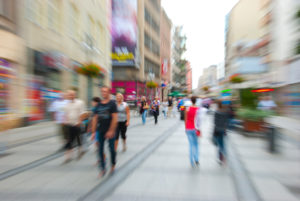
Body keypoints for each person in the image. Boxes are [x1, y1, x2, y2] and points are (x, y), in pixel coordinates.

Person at [92, 86, 118, 177]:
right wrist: (93, 132)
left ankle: (113, 164)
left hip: (110, 131)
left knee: (111, 149)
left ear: (109, 92)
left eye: (105, 91)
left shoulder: (112, 104)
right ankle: (102, 169)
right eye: (102, 92)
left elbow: (115, 118)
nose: (103, 93)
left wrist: (111, 130)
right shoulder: (98, 105)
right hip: (101, 131)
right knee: (100, 150)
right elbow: (95, 118)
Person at [63, 90, 86, 163]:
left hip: (77, 124)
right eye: (69, 95)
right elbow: (66, 114)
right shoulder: (66, 104)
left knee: (78, 139)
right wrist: (65, 121)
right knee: (69, 140)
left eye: (72, 95)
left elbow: (83, 113)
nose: (70, 96)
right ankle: (68, 156)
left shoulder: (80, 103)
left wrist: (80, 122)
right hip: (69, 124)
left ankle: (80, 150)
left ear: (75, 95)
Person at [185, 96, 201, 167]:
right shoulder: (198, 109)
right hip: (195, 129)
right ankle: (196, 159)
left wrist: (185, 128)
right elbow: (199, 121)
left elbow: (185, 119)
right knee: (196, 145)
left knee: (191, 145)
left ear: (191, 101)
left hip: (188, 128)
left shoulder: (187, 108)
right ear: (196, 101)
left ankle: (191, 161)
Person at [214, 100, 229, 165]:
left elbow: (215, 122)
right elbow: (226, 122)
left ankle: (220, 158)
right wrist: (225, 128)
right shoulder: (225, 112)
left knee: (219, 145)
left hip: (217, 130)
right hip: (223, 130)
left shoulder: (216, 112)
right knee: (223, 144)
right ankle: (224, 156)